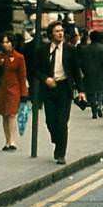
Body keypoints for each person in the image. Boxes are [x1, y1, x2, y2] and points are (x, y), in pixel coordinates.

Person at [36, 21, 85, 164]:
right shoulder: (43, 50)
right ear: (51, 34)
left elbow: (76, 71)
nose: (60, 33)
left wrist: (81, 91)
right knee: (50, 121)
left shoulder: (70, 50)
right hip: (49, 89)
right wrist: (45, 79)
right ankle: (57, 140)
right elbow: (36, 69)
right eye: (57, 31)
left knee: (62, 122)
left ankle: (61, 153)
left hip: (64, 88)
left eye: (61, 31)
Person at [0, 33, 28, 150]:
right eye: (3, 42)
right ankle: (7, 140)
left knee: (12, 114)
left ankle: (13, 141)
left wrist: (24, 93)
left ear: (12, 43)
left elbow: (22, 76)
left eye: (8, 42)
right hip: (1, 89)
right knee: (4, 115)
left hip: (14, 89)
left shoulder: (19, 57)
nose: (5, 44)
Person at [75, 30, 103, 119]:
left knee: (90, 92)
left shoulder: (84, 49)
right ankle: (99, 105)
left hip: (88, 73)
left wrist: (84, 70)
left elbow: (80, 62)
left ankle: (94, 109)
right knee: (100, 91)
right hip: (101, 73)